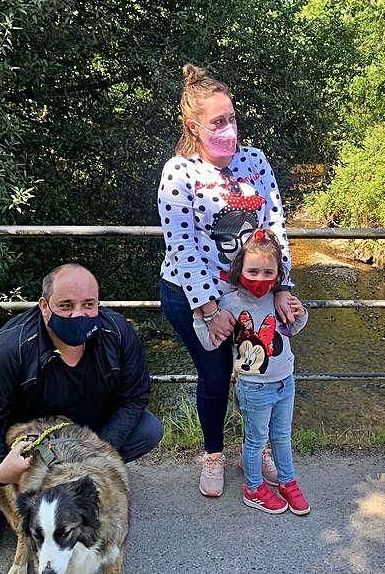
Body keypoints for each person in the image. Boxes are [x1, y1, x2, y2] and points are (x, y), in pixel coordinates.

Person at [0, 263, 163, 561]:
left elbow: (134, 397)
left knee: (148, 429)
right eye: (66, 306)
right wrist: (0, 469)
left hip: (87, 434)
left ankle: (88, 489)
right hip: (25, 439)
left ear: (98, 303)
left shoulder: (117, 333)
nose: (78, 314)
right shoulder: (8, 347)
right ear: (44, 306)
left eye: (88, 304)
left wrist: (97, 453)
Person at [157, 63, 295, 498]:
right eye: (218, 122)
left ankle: (260, 448)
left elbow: (274, 226)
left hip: (253, 290)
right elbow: (183, 246)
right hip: (192, 294)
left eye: (232, 118)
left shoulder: (255, 161)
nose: (228, 128)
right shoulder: (179, 173)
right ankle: (213, 454)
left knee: (263, 369)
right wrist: (210, 309)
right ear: (192, 126)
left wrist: (281, 288)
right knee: (215, 374)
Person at [193, 229, 310, 514]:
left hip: (285, 381)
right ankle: (254, 487)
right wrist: (200, 318)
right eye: (253, 271)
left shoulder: (278, 298)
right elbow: (210, 342)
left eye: (268, 272)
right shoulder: (229, 303)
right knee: (256, 440)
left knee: (282, 436)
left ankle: (287, 481)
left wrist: (301, 312)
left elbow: (292, 329)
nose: (260, 278)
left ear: (278, 274)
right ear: (239, 269)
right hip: (255, 386)